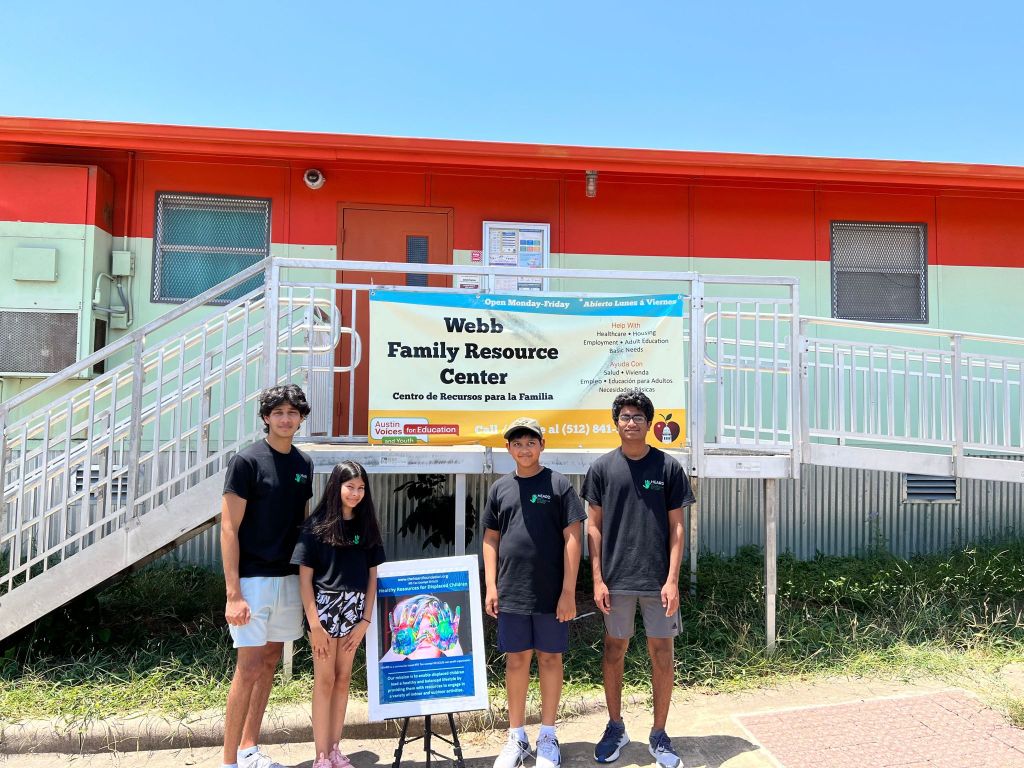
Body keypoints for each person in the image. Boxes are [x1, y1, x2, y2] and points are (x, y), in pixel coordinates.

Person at [582, 390, 695, 768]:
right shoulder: (601, 469)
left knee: (662, 653)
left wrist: (673, 580)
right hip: (616, 580)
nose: (631, 422)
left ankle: (659, 734)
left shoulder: (668, 468)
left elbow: (677, 528)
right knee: (614, 650)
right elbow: (593, 528)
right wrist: (597, 579)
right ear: (616, 423)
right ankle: (616, 727)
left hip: (657, 580)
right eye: (625, 417)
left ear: (649, 423)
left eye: (638, 417)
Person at [483, 417, 586, 768]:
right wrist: (492, 585)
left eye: (530, 442)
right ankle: (516, 736)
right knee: (516, 660)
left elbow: (573, 538)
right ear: (508, 448)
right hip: (511, 591)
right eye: (517, 443)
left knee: (550, 659)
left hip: (551, 593)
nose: (524, 449)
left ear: (542, 445)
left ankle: (547, 735)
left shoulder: (558, 485)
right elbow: (490, 538)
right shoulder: (500, 488)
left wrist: (568, 592)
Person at [220, 384, 314, 768]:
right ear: (265, 417)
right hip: (252, 580)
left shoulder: (304, 464)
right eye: (278, 412)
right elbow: (228, 527)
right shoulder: (246, 461)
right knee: (248, 668)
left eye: (293, 413)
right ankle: (228, 762)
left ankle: (249, 750)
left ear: (301, 419)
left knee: (271, 659)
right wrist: (233, 593)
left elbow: (303, 524)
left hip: (288, 578)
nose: (285, 419)